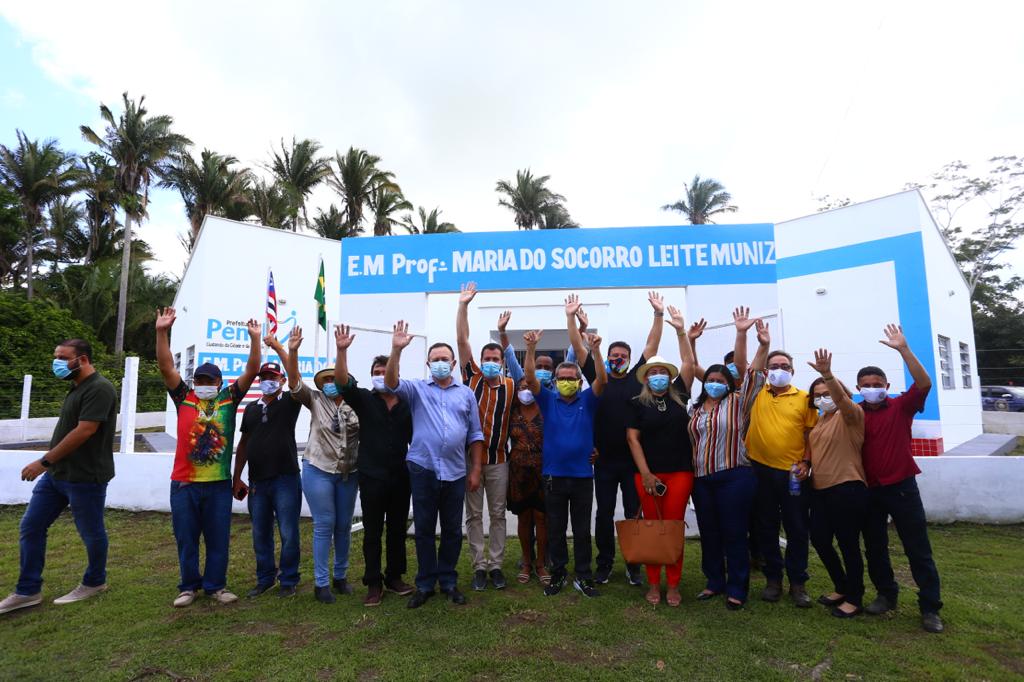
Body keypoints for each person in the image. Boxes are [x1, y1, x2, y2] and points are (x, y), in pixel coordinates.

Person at [0, 339, 118, 615]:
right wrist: (51, 466)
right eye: (56, 356)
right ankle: (27, 590)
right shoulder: (76, 388)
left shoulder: (100, 388)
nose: (57, 362)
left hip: (85, 477)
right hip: (58, 475)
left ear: (83, 359)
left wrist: (43, 461)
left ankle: (95, 582)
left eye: (63, 357)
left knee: (91, 532)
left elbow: (85, 430)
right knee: (31, 526)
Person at [153, 307, 260, 608]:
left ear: (219, 382)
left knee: (218, 540)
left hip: (218, 485)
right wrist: (162, 331)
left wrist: (255, 339)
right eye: (200, 379)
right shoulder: (183, 397)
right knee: (186, 540)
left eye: (209, 380)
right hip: (184, 484)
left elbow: (252, 371)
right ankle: (188, 587)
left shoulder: (229, 398)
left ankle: (216, 586)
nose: (204, 384)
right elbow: (165, 367)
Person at [385, 320, 484, 608]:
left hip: (455, 472)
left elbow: (475, 434)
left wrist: (476, 469)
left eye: (445, 359)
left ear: (453, 363)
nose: (440, 363)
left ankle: (449, 581)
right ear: (428, 364)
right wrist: (396, 350)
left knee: (453, 530)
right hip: (423, 468)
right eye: (435, 359)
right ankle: (425, 583)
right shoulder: (417, 389)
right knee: (425, 529)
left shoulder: (466, 393)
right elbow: (391, 383)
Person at [571, 291, 665, 586]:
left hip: (634, 463)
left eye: (622, 356)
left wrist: (659, 314)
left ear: (629, 358)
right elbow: (578, 345)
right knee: (604, 515)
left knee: (634, 515)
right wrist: (571, 319)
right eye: (614, 356)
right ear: (608, 359)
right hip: (605, 462)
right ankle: (604, 563)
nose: (618, 360)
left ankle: (634, 564)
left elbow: (652, 344)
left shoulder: (639, 374)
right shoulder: (599, 378)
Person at [858, 324, 944, 634]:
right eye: (866, 384)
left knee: (917, 547)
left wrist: (903, 349)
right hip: (868, 489)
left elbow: (923, 383)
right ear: (859, 388)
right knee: (875, 546)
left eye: (877, 383)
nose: (871, 387)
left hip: (902, 486)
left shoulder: (901, 406)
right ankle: (886, 594)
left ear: (886, 384)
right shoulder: (855, 413)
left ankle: (930, 607)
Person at [267, 327, 360, 604]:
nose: (331, 382)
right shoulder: (315, 400)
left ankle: (340, 576)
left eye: (335, 378)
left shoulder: (358, 404)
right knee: (324, 524)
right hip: (318, 469)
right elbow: (294, 381)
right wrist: (290, 350)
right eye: (327, 379)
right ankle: (321, 583)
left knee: (344, 525)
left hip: (348, 472)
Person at [683, 308, 767, 610]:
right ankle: (714, 581)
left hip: (735, 476)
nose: (715, 383)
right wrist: (690, 342)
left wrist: (741, 333)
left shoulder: (738, 402)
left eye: (720, 379)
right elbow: (691, 367)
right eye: (710, 379)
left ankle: (737, 588)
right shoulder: (695, 409)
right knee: (710, 532)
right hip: (702, 479)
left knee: (734, 531)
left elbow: (744, 371)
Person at [525, 297, 608, 598]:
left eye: (571, 378)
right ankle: (558, 573)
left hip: (583, 477)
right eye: (561, 378)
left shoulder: (589, 399)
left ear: (578, 381)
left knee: (583, 531)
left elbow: (601, 379)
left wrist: (596, 350)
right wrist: (532, 349)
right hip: (554, 477)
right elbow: (531, 377)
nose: (566, 382)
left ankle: (583, 576)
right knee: (557, 530)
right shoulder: (548, 399)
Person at [334, 324, 415, 607]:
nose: (381, 377)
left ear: (396, 374)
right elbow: (343, 382)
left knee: (396, 529)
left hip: (400, 476)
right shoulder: (365, 399)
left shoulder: (407, 401)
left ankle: (394, 577)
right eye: (377, 373)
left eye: (386, 372)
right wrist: (342, 351)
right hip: (371, 476)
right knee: (372, 530)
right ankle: (373, 583)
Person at [745, 334, 819, 607]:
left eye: (785, 366)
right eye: (774, 366)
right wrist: (762, 344)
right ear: (766, 370)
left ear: (793, 371)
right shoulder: (755, 393)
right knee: (766, 527)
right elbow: (751, 370)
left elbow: (811, 433)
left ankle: (798, 582)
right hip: (760, 471)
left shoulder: (804, 398)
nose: (779, 370)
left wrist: (807, 462)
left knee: (797, 529)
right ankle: (773, 579)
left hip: (793, 475)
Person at [799, 348, 867, 618]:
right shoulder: (821, 420)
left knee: (848, 543)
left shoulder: (850, 415)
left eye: (827, 393)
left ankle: (855, 597)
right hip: (820, 490)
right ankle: (842, 585)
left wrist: (827, 374)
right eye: (817, 396)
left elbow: (842, 400)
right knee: (820, 539)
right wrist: (804, 466)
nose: (823, 398)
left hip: (847, 487)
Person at [457, 282, 516, 591]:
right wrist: (464, 305)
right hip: (470, 460)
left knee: (498, 515)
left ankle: (496, 566)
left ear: (503, 361)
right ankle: (478, 565)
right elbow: (462, 339)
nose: (491, 362)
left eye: (496, 358)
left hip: (499, 461)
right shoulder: (472, 377)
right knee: (474, 515)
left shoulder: (510, 385)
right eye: (487, 357)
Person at [626, 351, 693, 607]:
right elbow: (633, 439)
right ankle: (654, 582)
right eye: (653, 373)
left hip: (680, 473)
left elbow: (688, 363)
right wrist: (645, 474)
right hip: (648, 474)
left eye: (662, 372)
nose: (658, 376)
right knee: (652, 528)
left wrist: (680, 330)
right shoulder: (636, 404)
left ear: (669, 376)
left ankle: (673, 583)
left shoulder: (680, 399)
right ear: (645, 378)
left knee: (674, 528)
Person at [233, 358, 303, 598]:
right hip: (257, 482)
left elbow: (296, 381)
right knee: (260, 532)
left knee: (288, 532)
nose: (268, 382)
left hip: (285, 478)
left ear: (282, 380)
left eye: (273, 378)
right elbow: (243, 444)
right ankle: (265, 578)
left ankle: (289, 579)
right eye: (264, 378)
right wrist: (237, 478)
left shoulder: (290, 402)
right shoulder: (251, 409)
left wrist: (284, 350)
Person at [507, 377, 549, 586]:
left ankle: (541, 563)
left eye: (530, 387)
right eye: (522, 387)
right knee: (524, 517)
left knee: (542, 517)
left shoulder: (546, 408)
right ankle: (526, 561)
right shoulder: (511, 411)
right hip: (518, 471)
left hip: (543, 469)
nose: (526, 391)